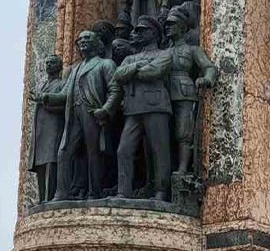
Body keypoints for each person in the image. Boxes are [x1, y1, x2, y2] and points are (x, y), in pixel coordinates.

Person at [35, 31, 121, 201]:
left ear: (97, 43)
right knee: (64, 152)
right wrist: (45, 97)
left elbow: (115, 90)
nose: (82, 41)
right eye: (79, 39)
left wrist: (105, 110)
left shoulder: (106, 64)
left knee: (94, 153)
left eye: (87, 38)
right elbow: (65, 94)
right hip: (74, 114)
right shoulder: (75, 69)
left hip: (93, 114)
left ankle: (95, 191)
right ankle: (61, 193)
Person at [114, 15, 173, 201]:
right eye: (136, 30)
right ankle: (124, 191)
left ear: (154, 34)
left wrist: (133, 70)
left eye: (142, 31)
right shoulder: (131, 58)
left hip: (155, 106)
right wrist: (138, 66)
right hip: (133, 109)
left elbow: (154, 72)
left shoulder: (164, 54)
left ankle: (161, 192)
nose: (137, 34)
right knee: (124, 150)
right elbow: (118, 74)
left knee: (159, 150)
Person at [163, 5, 217, 174]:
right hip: (162, 94)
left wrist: (206, 78)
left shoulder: (192, 49)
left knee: (183, 132)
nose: (168, 27)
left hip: (183, 92)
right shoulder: (163, 51)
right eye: (166, 25)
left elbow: (209, 67)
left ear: (182, 27)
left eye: (172, 24)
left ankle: (183, 168)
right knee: (164, 133)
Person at [28, 55, 66, 202]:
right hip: (41, 130)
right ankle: (42, 197)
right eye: (47, 62)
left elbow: (63, 105)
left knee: (51, 161)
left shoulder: (61, 84)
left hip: (54, 127)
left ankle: (49, 197)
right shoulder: (43, 85)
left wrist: (43, 100)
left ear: (59, 66)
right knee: (40, 164)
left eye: (52, 62)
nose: (49, 65)